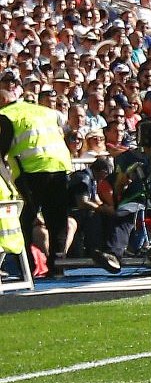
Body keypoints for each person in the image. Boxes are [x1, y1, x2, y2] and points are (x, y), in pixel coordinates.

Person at [0, 71, 76, 276]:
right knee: (57, 220)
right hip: (59, 166)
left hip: (31, 170)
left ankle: (26, 267)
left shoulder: (7, 115)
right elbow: (67, 132)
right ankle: (58, 266)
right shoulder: (45, 112)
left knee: (24, 220)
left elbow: (2, 149)